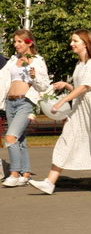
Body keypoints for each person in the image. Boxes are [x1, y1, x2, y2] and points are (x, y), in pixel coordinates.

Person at [29, 30, 91, 195]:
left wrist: (62, 101)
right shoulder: (79, 65)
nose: (71, 44)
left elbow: (85, 87)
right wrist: (66, 85)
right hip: (80, 109)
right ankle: (50, 182)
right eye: (72, 41)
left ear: (85, 43)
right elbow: (80, 89)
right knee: (66, 139)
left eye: (75, 41)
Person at [1, 30, 50, 187]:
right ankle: (26, 173)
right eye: (14, 42)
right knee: (20, 140)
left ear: (29, 42)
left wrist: (34, 76)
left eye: (19, 41)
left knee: (10, 138)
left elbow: (44, 85)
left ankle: (14, 174)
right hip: (10, 102)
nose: (16, 45)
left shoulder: (37, 61)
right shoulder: (12, 60)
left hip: (25, 102)